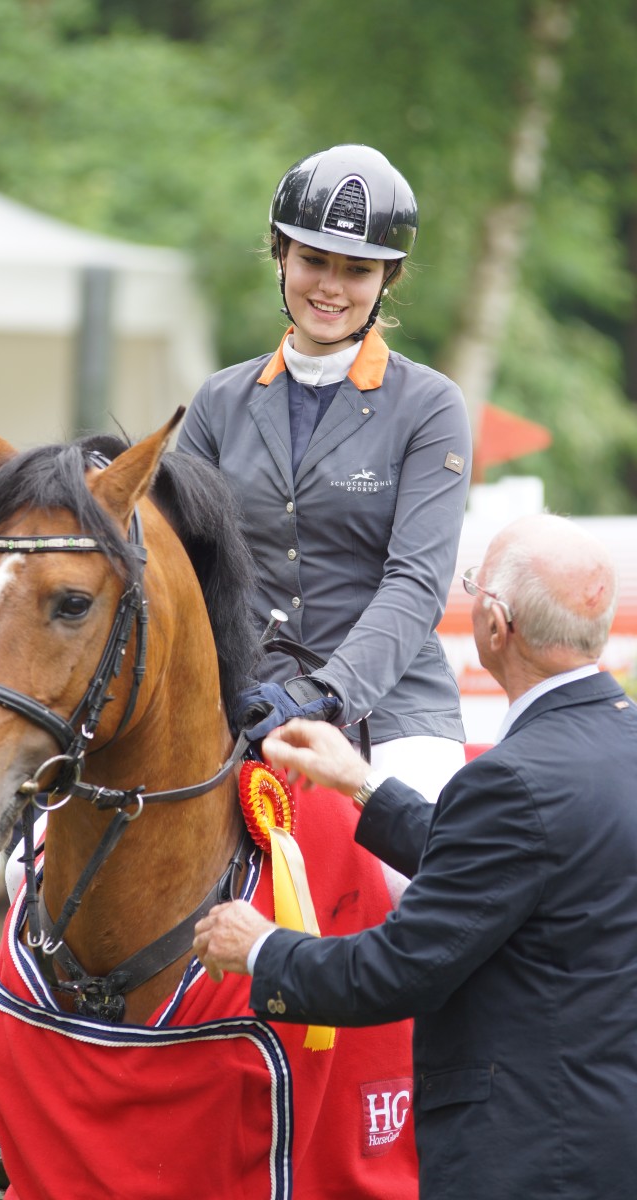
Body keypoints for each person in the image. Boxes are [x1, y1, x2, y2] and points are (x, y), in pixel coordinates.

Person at [193, 513, 637, 1200]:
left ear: (496, 623)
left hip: (528, 1157)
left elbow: (400, 970)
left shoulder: (507, 781)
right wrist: (361, 785)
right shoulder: (617, 745)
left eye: (474, 584)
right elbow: (514, 869)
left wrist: (260, 947)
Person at [177, 143, 473, 815]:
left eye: (357, 269)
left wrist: (327, 692)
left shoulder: (430, 407)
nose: (330, 287)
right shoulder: (219, 402)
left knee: (421, 865)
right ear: (281, 254)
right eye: (314, 260)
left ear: (387, 278)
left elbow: (416, 582)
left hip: (391, 711)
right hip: (243, 703)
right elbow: (185, 564)